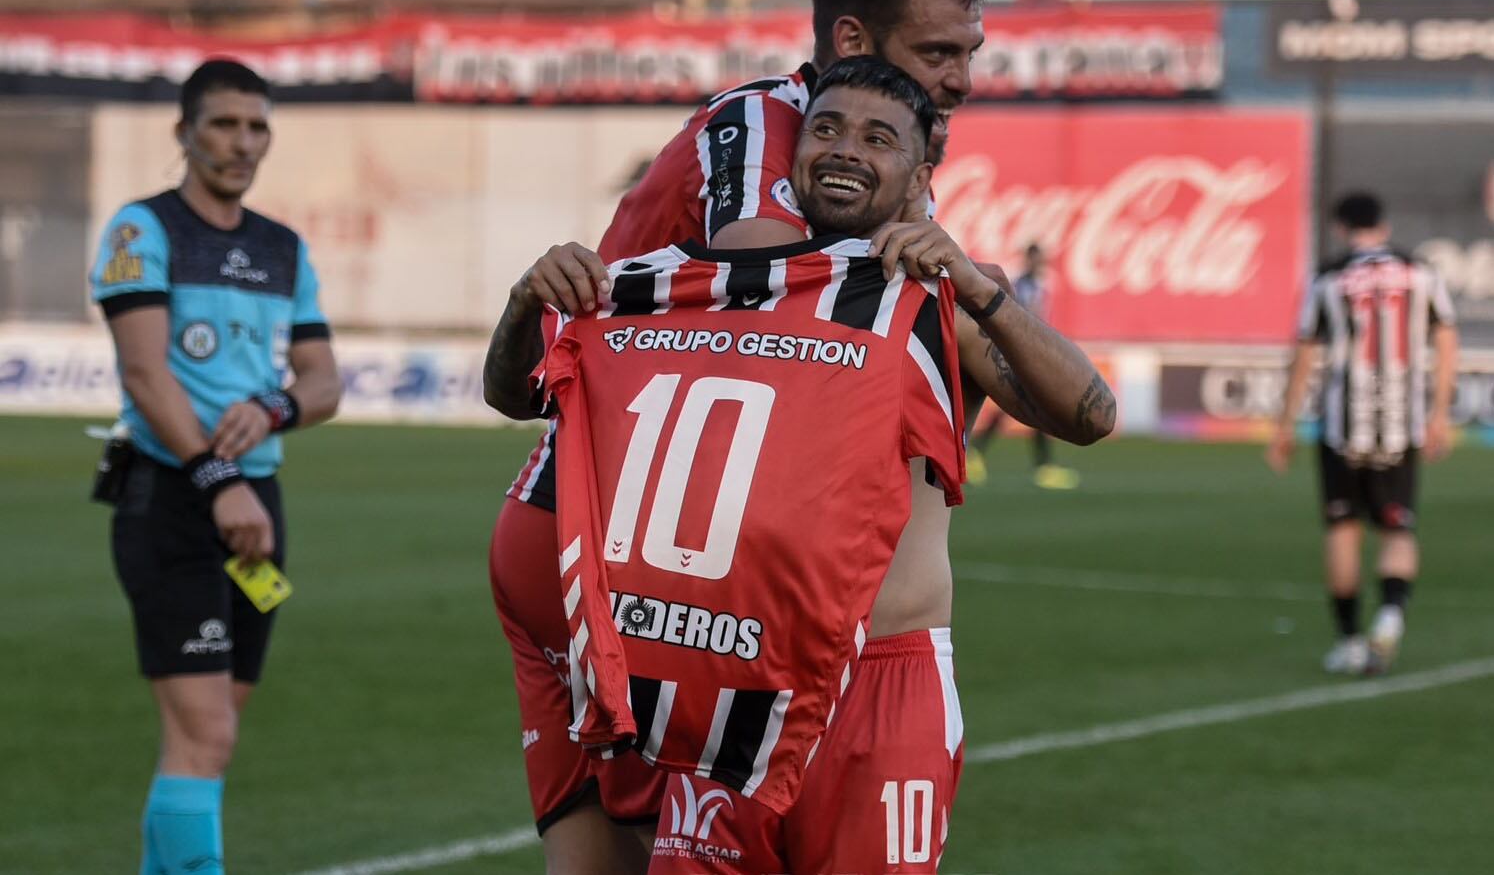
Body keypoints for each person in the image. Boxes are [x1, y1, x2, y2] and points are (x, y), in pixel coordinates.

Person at [488, 57, 1115, 872]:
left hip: (881, 686)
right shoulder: (690, 284)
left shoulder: (930, 296)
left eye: (878, 138)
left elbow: (1089, 415)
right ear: (795, 154)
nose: (846, 149)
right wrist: (522, 305)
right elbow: (516, 394)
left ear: (921, 176)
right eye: (826, 129)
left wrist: (980, 289)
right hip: (728, 680)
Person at [89, 58, 341, 874]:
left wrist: (273, 408)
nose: (243, 143)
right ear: (185, 133)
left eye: (257, 126)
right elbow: (144, 373)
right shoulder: (143, 231)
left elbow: (323, 382)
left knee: (204, 741)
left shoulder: (281, 248)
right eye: (225, 124)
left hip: (255, 503)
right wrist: (216, 479)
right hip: (174, 494)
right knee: (206, 735)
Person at [1267, 192, 1457, 675]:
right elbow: (1446, 339)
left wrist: (1285, 425)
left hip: (1341, 428)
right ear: (1384, 224)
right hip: (1400, 424)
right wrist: (1439, 413)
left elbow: (1305, 353)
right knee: (1398, 529)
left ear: (1340, 227)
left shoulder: (1328, 278)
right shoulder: (1421, 272)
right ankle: (1390, 615)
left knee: (1343, 529)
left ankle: (1350, 640)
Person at [967, 243, 1081, 489]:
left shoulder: (1035, 284)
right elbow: (1021, 317)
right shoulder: (1024, 284)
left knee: (1030, 405)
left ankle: (977, 453)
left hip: (1028, 351)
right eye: (1036, 259)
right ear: (1029, 259)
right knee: (1037, 404)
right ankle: (1043, 467)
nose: (1040, 263)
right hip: (1023, 352)